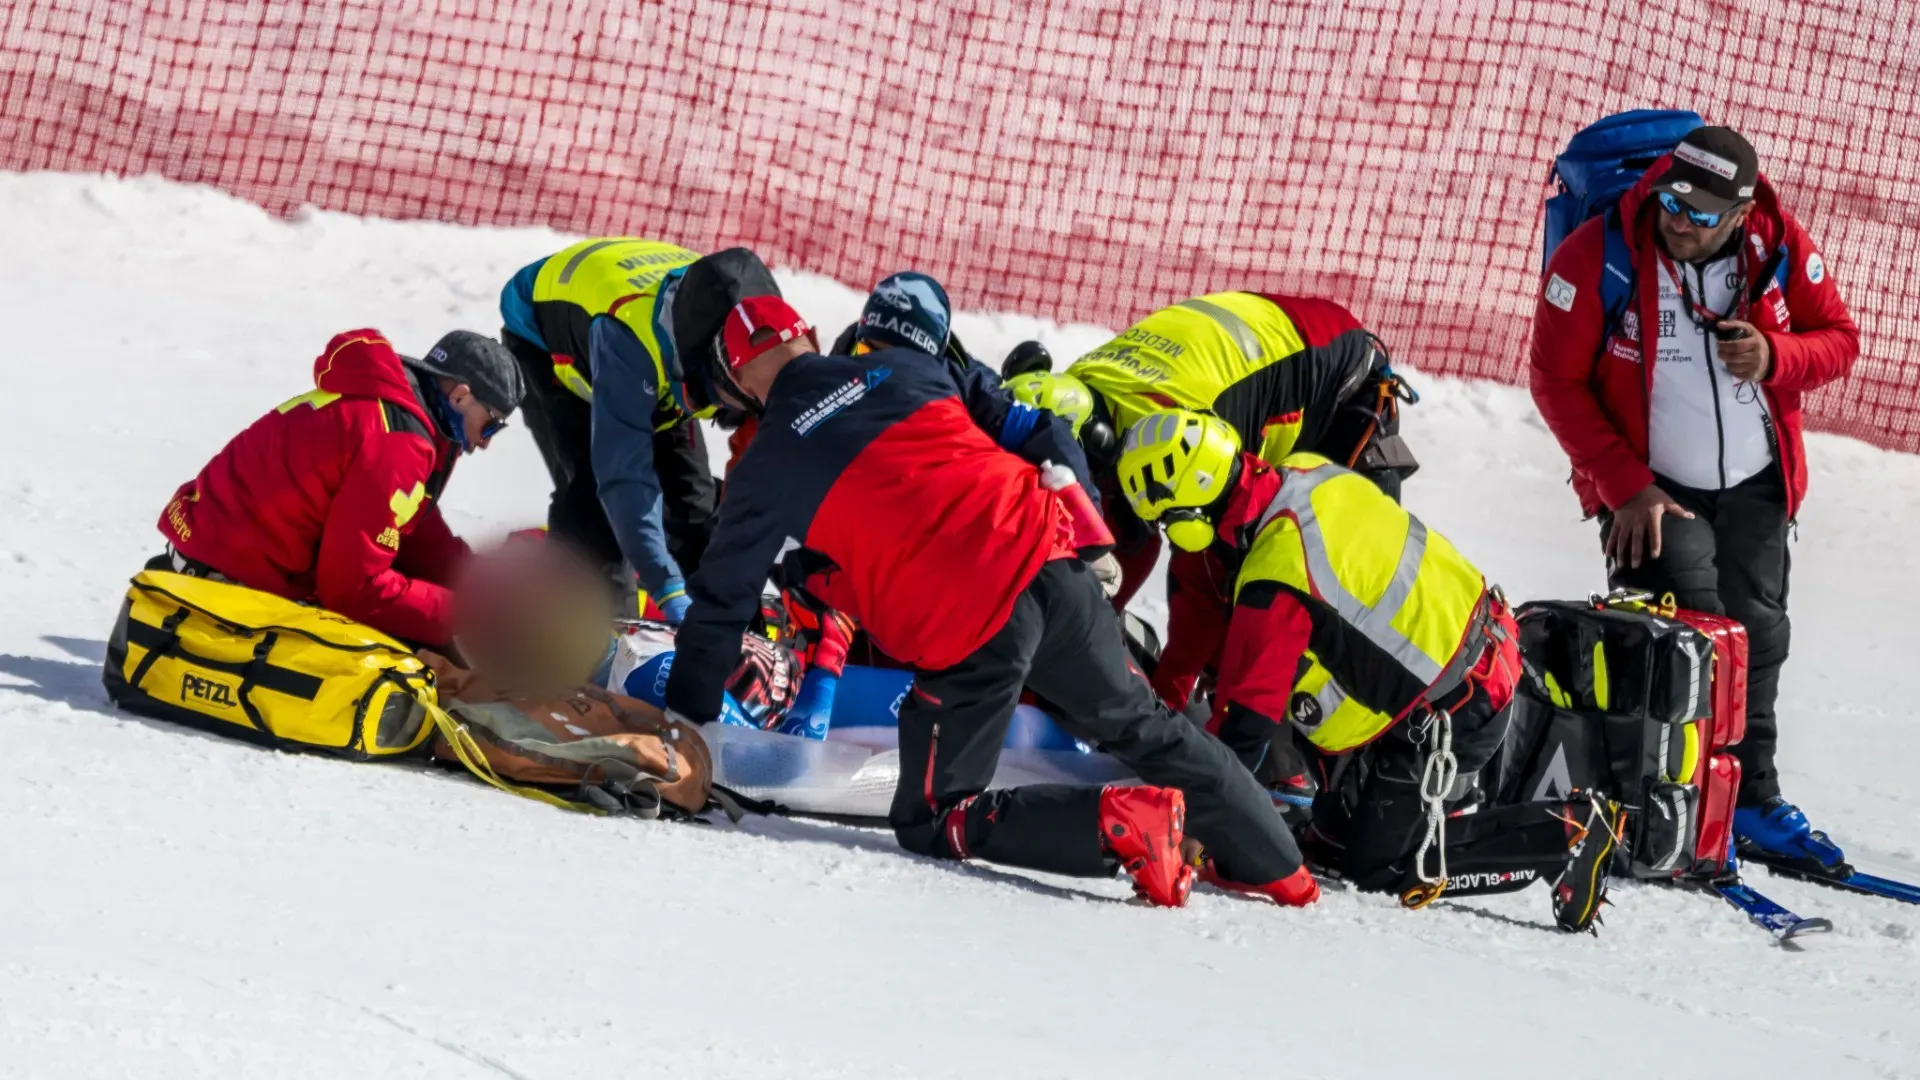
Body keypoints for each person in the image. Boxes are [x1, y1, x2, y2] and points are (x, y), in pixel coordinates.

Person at [663, 295, 1316, 909]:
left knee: (931, 818)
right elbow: (1030, 425)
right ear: (808, 334)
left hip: (971, 622)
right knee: (1145, 724)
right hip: (1050, 556)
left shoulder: (764, 464)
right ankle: (1282, 869)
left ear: (742, 382)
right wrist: (1086, 522)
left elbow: (721, 606)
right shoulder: (911, 367)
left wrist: (687, 731)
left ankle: (1119, 823)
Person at [1115, 408, 1620, 931]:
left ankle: (1563, 834)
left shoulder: (1276, 572)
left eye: (1171, 524)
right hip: (1482, 647)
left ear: (1193, 518)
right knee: (1326, 844)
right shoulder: (1306, 470)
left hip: (1460, 709)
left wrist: (1192, 827)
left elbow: (1247, 726)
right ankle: (1420, 814)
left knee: (1382, 871)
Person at [1528, 125, 1860, 872]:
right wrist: (1624, 487)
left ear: (1741, 214)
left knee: (1758, 641)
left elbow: (1839, 339)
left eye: (1703, 214)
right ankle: (1651, 809)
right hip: (1652, 490)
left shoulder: (1774, 249)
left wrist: (1779, 357)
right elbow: (1554, 380)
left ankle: (1751, 803)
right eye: (1674, 202)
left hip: (1754, 483)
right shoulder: (1599, 254)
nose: (1681, 221)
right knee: (1681, 642)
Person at [1009, 292, 1417, 608]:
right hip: (1266, 333)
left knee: (1316, 579)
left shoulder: (1188, 426)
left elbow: (1198, 561)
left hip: (1340, 381)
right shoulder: (1082, 384)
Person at [154, 329, 522, 647]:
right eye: (491, 424)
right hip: (227, 577)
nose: (486, 442)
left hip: (209, 549)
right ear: (459, 395)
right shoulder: (398, 440)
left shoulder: (390, 405)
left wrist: (475, 585)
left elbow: (410, 528)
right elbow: (353, 589)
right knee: (423, 663)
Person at [498, 239, 779, 621]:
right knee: (595, 504)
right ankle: (591, 634)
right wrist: (666, 587)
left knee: (691, 504)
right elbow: (624, 475)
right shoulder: (627, 337)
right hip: (547, 340)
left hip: (664, 354)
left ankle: (723, 629)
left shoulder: (766, 336)